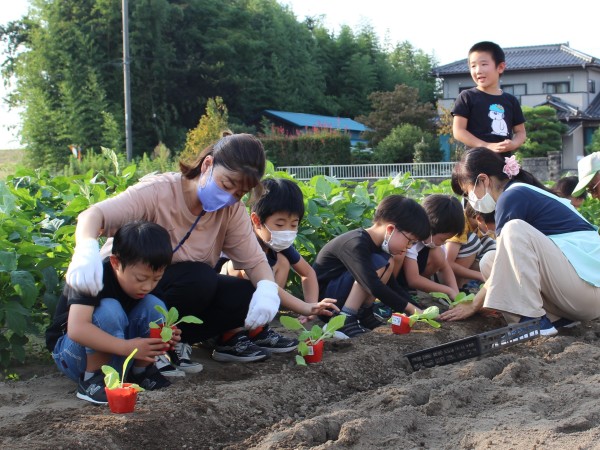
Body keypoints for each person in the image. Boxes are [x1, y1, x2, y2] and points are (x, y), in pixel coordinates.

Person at [64, 133, 284, 364]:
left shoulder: (231, 211)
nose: (229, 197)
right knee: (199, 277)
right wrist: (85, 249)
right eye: (226, 184)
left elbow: (256, 261)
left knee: (244, 295)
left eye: (238, 194)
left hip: (172, 292)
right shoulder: (159, 192)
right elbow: (94, 215)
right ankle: (142, 342)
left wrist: (267, 289)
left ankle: (172, 343)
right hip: (127, 288)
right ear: (207, 164)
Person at [440, 147, 600, 335]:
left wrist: (475, 304)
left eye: (467, 193)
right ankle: (554, 320)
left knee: (513, 230)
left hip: (590, 291)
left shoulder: (512, 196)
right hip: (580, 293)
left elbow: (504, 261)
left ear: (483, 180)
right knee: (489, 261)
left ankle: (532, 321)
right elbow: (502, 264)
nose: (469, 201)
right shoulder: (523, 192)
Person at [46, 221, 177, 405]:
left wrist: (167, 334)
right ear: (116, 262)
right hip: (74, 354)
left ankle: (142, 372)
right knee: (109, 308)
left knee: (154, 306)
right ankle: (93, 378)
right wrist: (128, 348)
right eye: (140, 278)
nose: (148, 286)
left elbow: (152, 314)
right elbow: (77, 329)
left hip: (122, 351)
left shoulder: (147, 281)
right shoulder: (90, 274)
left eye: (156, 279)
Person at [221, 177, 338, 324]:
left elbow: (307, 273)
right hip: (222, 299)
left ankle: (261, 327)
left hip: (254, 301)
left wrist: (311, 307)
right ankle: (230, 331)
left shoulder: (277, 245)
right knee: (239, 269)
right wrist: (305, 307)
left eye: (294, 225)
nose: (287, 232)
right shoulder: (244, 240)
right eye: (280, 225)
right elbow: (264, 284)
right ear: (257, 221)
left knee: (282, 261)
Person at [312, 195, 430, 338]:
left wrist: (420, 310)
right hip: (328, 305)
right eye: (410, 241)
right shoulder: (355, 243)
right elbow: (373, 285)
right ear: (391, 229)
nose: (408, 247)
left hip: (340, 295)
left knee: (387, 261)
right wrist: (412, 310)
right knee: (380, 262)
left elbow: (392, 286)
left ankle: (364, 315)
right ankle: (344, 319)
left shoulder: (379, 248)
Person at [452, 41, 526, 155]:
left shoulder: (511, 101)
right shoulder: (466, 97)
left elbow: (520, 132)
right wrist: (486, 146)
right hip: (475, 162)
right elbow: (458, 131)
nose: (478, 70)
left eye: (484, 64)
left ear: (500, 67)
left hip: (503, 163)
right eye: (473, 66)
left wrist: (513, 144)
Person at [394, 194, 464, 300]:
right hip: (395, 277)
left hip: (412, 271)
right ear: (431, 228)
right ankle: (398, 292)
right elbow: (414, 279)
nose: (444, 243)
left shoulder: (428, 240)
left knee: (438, 254)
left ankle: (413, 291)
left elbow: (445, 267)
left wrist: (457, 294)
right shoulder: (411, 241)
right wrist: (448, 291)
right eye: (442, 239)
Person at [445, 199, 496, 290]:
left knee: (491, 245)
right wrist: (479, 275)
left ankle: (466, 284)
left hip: (462, 263)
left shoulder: (481, 226)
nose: (494, 229)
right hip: (445, 272)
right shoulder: (461, 223)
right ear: (479, 219)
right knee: (473, 241)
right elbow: (447, 262)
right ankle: (456, 287)